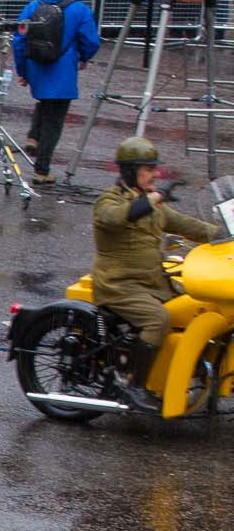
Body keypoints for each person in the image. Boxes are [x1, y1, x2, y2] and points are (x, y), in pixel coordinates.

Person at [92, 137, 224, 412]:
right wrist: (151, 200)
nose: (156, 174)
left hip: (152, 284)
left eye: (155, 169)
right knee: (158, 320)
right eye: (149, 169)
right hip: (119, 286)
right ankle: (134, 387)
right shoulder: (109, 201)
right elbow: (115, 218)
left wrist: (223, 233)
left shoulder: (152, 205)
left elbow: (186, 225)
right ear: (131, 171)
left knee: (195, 308)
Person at [12, 0, 100, 184]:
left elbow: (19, 41)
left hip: (37, 66)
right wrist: (83, 58)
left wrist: (23, 71)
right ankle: (41, 171)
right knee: (55, 120)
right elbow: (91, 41)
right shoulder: (79, 9)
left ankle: (34, 136)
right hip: (63, 69)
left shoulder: (33, 6)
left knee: (43, 101)